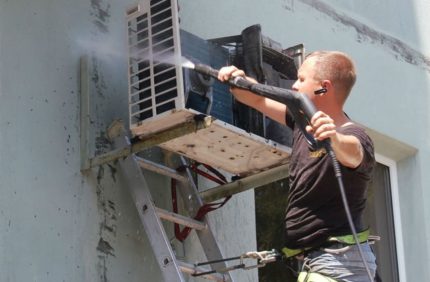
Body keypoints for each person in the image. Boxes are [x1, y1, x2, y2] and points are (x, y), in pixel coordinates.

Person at [218, 51, 377, 281]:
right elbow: (257, 99)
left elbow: (354, 153)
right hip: (320, 262)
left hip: (339, 263)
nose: (293, 85)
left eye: (302, 79)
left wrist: (334, 138)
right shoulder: (301, 122)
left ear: (324, 88)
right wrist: (237, 79)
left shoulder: (353, 135)